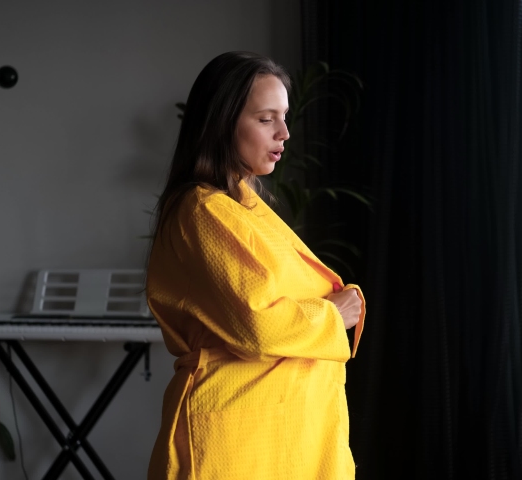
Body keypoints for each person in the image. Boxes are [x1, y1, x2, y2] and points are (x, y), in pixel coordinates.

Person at [145, 51, 366, 480]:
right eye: (266, 119)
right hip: (241, 434)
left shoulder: (242, 206)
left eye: (284, 117)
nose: (284, 132)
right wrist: (333, 314)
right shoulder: (203, 211)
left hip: (282, 426)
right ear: (222, 122)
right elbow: (257, 322)